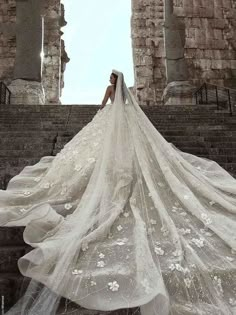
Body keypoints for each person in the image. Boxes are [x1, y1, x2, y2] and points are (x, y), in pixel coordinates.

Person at [0, 70, 235, 315]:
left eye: (111, 78)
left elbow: (104, 106)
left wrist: (100, 112)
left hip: (110, 120)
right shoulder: (126, 95)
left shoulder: (111, 90)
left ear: (114, 81)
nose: (110, 81)